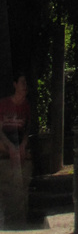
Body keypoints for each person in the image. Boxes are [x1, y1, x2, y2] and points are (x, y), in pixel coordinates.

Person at [0, 74, 32, 224]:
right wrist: (10, 146)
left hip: (18, 139)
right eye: (22, 82)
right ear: (15, 85)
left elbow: (26, 129)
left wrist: (23, 144)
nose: (25, 86)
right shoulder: (4, 104)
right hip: (5, 140)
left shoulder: (26, 106)